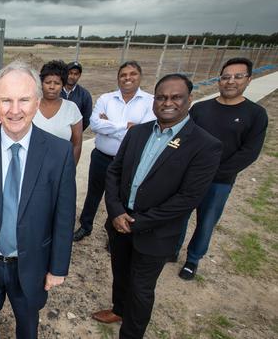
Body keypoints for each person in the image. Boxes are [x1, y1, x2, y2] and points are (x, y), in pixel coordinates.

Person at [0, 61, 76, 339]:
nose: (15, 110)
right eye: (6, 100)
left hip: (31, 262)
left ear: (37, 102)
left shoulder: (59, 152)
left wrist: (57, 267)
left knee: (27, 322)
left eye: (24, 100)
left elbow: (64, 215)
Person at [93, 73, 221, 338]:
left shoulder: (205, 145)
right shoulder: (137, 133)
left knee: (141, 288)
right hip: (120, 223)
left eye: (176, 97)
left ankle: (131, 333)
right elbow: (114, 172)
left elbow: (187, 198)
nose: (167, 102)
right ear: (154, 100)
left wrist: (138, 222)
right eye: (162, 97)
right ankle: (119, 309)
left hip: (156, 233)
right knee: (120, 274)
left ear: (189, 100)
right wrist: (116, 212)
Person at [175, 57, 268, 280]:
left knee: (206, 221)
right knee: (178, 215)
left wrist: (213, 173)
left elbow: (249, 153)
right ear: (219, 80)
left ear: (248, 79)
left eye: (238, 76)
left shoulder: (255, 114)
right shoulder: (200, 109)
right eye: (226, 77)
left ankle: (192, 260)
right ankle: (171, 250)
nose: (230, 81)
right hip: (188, 177)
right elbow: (186, 138)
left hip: (219, 181)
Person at [73, 61, 155, 242]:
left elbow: (145, 131)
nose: (127, 78)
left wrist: (109, 125)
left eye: (132, 74)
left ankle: (115, 232)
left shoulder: (150, 101)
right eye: (123, 75)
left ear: (140, 76)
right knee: (94, 193)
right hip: (101, 157)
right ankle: (85, 226)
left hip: (130, 160)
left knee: (121, 197)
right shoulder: (106, 99)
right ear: (118, 78)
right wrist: (128, 127)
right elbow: (95, 124)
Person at [33, 60, 83, 164]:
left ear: (63, 85)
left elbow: (77, 144)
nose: (52, 87)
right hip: (32, 165)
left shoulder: (71, 109)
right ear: (41, 83)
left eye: (57, 83)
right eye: (47, 82)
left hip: (60, 167)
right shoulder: (31, 106)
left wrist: (70, 169)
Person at [62, 61, 93, 131]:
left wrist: (76, 132)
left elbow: (86, 118)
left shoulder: (84, 95)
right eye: (70, 73)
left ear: (79, 75)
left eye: (75, 74)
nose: (72, 76)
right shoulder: (56, 91)